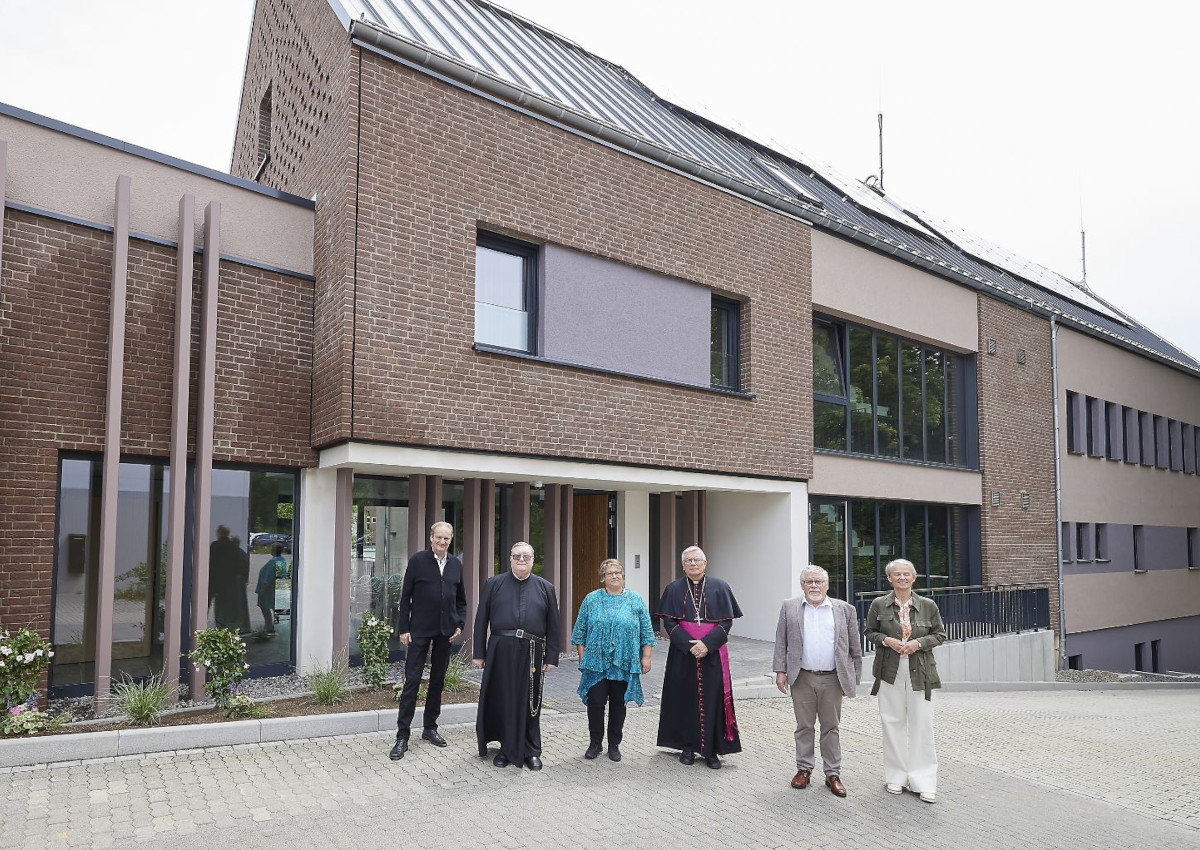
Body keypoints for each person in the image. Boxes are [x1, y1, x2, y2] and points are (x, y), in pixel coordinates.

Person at [773, 564, 863, 797]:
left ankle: (832, 774)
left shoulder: (844, 609)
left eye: (818, 581)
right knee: (804, 727)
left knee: (831, 728)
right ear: (802, 585)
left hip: (832, 679)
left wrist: (854, 677)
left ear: (827, 585)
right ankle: (803, 769)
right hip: (801, 677)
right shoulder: (789, 607)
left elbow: (855, 647)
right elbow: (781, 641)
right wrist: (780, 671)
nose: (814, 585)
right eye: (809, 581)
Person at [864, 558, 947, 804]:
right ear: (889, 578)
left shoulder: (928, 605)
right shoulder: (879, 604)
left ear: (914, 577)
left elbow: (940, 634)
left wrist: (918, 643)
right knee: (891, 723)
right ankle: (896, 776)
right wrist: (886, 641)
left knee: (923, 725)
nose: (902, 578)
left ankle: (924, 781)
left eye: (906, 574)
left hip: (921, 672)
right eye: (897, 574)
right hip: (889, 671)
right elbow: (869, 632)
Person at [473, 542, 560, 770]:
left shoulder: (545, 587)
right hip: (500, 650)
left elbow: (554, 625)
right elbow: (481, 620)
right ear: (510, 559)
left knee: (531, 702)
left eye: (526, 556)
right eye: (517, 556)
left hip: (532, 651)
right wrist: (479, 653)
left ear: (532, 559)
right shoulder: (493, 584)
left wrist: (551, 656)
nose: (521, 559)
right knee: (503, 699)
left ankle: (531, 750)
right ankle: (505, 749)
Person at [655, 545, 742, 769]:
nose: (693, 564)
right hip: (683, 654)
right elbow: (669, 622)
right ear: (682, 565)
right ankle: (687, 747)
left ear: (705, 563)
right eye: (688, 561)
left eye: (697, 560)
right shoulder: (673, 588)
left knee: (713, 700)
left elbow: (726, 622)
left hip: (712, 654)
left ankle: (711, 751)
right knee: (684, 698)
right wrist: (688, 645)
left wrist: (707, 645)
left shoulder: (720, 587)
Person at [389, 521, 468, 760]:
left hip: (445, 632)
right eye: (438, 538)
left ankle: (430, 728)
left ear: (450, 540)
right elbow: (405, 598)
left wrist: (460, 623)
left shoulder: (455, 564)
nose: (442, 542)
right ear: (431, 538)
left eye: (446, 539)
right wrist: (404, 628)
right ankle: (402, 736)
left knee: (437, 681)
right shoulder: (418, 561)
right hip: (419, 630)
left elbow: (461, 600)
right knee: (412, 681)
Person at [571, 558, 655, 762]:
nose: (615, 576)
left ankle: (614, 745)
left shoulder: (635, 600)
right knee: (596, 702)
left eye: (618, 572)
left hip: (624, 663)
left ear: (623, 575)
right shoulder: (591, 599)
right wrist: (582, 657)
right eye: (610, 573)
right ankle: (595, 743)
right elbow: (580, 631)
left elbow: (647, 631)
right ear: (603, 578)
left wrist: (646, 657)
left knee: (619, 704)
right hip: (596, 664)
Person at [209, 525, 250, 633]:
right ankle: (228, 629)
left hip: (216, 581)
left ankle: (218, 628)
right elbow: (239, 566)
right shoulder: (234, 548)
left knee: (218, 607)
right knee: (228, 606)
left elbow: (211, 564)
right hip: (230, 583)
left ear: (219, 532)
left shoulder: (215, 545)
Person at [254, 543, 289, 633]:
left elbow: (268, 577)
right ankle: (276, 626)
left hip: (269, 589)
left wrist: (263, 589)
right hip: (279, 587)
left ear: (273, 550)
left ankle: (269, 625)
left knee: (264, 606)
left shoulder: (272, 562)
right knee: (277, 608)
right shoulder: (282, 560)